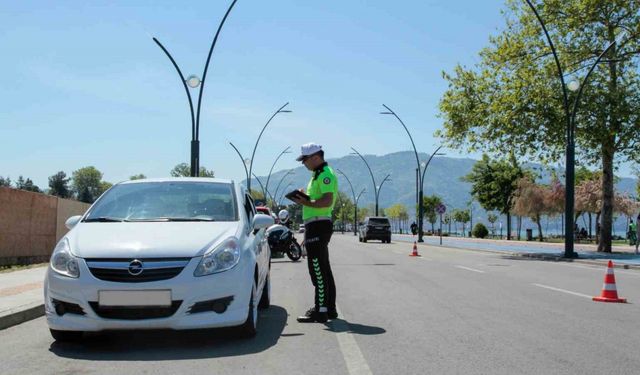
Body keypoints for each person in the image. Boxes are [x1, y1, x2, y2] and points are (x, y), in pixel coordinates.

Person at [290, 143, 338, 323]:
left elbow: (326, 201)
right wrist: (304, 196)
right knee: (324, 268)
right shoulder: (316, 176)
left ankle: (320, 311)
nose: (303, 163)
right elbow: (316, 198)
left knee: (316, 269)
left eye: (305, 159)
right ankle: (330, 309)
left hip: (319, 225)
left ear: (316, 157)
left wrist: (305, 202)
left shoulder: (325, 174)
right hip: (316, 225)